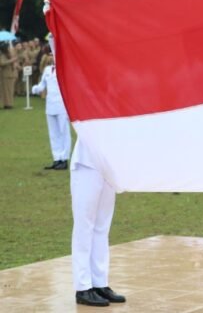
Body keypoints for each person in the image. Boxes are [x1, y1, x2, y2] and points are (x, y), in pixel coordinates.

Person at [70, 139, 127, 306]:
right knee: (84, 227)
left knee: (101, 228)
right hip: (87, 163)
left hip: (108, 164)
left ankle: (100, 283)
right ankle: (83, 287)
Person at [31, 56, 71, 170]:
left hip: (61, 105)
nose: (52, 57)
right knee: (53, 134)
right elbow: (42, 85)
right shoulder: (47, 70)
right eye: (51, 55)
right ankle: (57, 158)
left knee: (64, 133)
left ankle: (64, 159)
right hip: (50, 105)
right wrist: (35, 89)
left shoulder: (64, 69)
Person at [0, 42, 20, 109]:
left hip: (10, 74)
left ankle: (9, 103)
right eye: (8, 47)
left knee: (10, 90)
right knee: (6, 90)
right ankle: (7, 104)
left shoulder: (8, 55)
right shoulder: (2, 55)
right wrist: (12, 60)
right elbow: (2, 63)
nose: (9, 48)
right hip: (5, 75)